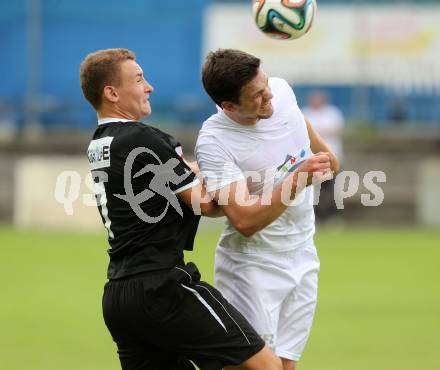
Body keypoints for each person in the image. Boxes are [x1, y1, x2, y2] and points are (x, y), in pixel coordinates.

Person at [79, 48, 283, 370]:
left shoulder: (100, 144)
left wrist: (194, 170)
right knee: (267, 367)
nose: (149, 87)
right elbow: (207, 204)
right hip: (162, 288)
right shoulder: (145, 138)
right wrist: (240, 179)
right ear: (112, 92)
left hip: (119, 298)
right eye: (139, 79)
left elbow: (167, 182)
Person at [195, 49, 339, 370]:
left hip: (303, 252)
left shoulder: (283, 93)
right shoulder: (214, 140)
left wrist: (321, 164)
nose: (269, 95)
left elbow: (328, 160)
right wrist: (299, 177)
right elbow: (244, 220)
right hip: (252, 266)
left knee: (286, 365)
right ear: (228, 106)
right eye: (257, 95)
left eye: (266, 83)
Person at [302, 90, 345, 222]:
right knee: (312, 192)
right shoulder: (305, 113)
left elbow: (338, 130)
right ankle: (315, 218)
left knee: (333, 190)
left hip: (332, 160)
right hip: (311, 161)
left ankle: (333, 217)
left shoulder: (333, 113)